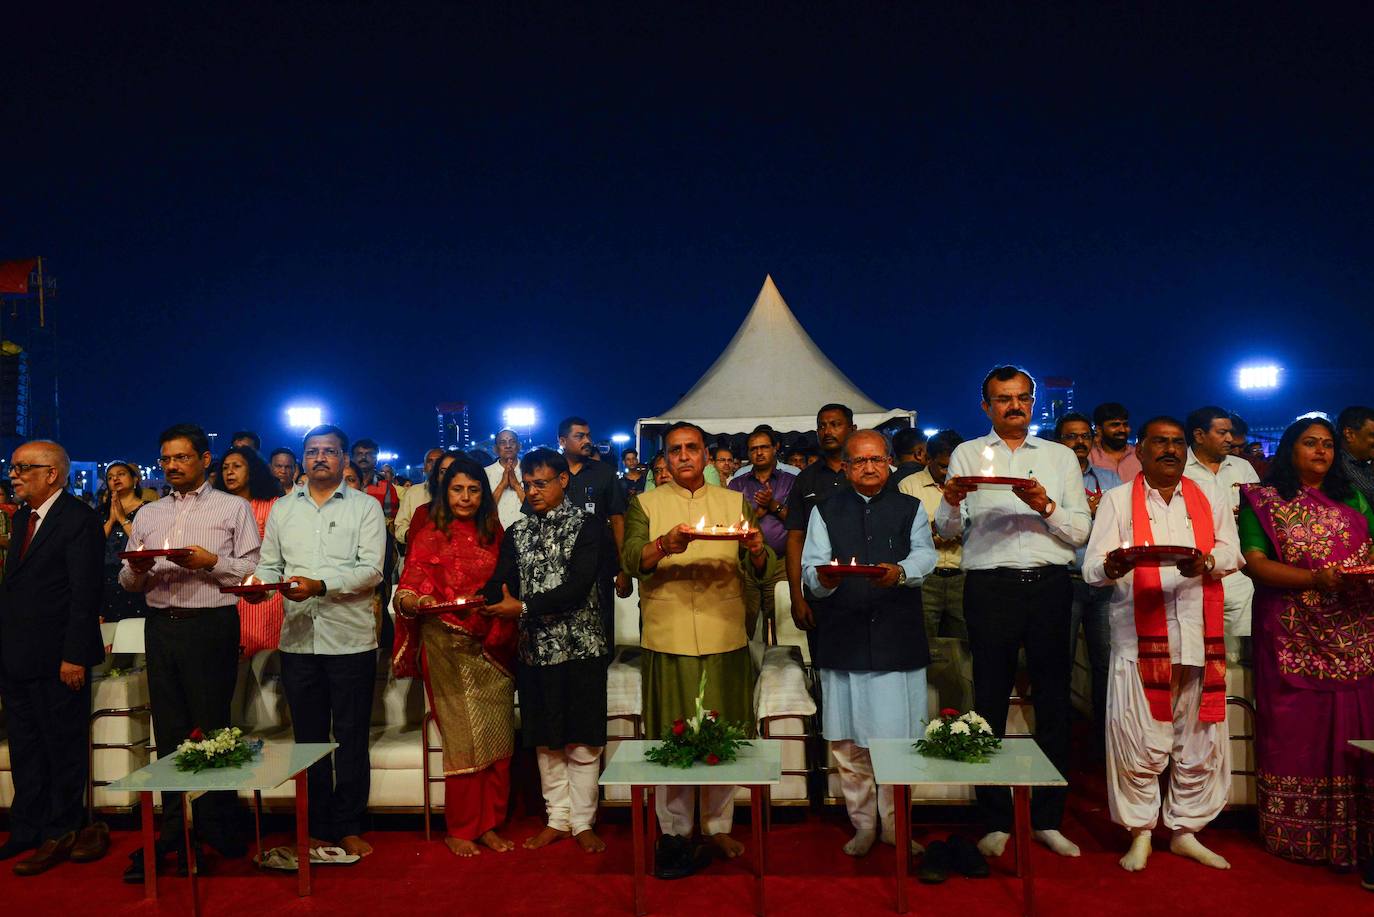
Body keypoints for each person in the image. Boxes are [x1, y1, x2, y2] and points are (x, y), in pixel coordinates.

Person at [936, 366, 1090, 859]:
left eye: (1022, 398)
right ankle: (996, 818)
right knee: (989, 703)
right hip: (989, 586)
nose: (1014, 406)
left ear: (1033, 401)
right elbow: (948, 530)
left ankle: (1048, 818)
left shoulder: (1060, 457)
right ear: (986, 406)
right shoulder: (966, 454)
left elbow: (1080, 533)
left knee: (1053, 704)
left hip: (1049, 586)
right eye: (1003, 399)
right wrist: (949, 499)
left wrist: (1045, 505)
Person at [1083, 416, 1239, 872]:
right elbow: (1093, 568)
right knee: (1138, 739)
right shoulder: (1116, 500)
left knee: (1199, 740)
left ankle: (1187, 832)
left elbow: (1234, 553)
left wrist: (1207, 562)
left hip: (1197, 635)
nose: (1169, 450)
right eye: (1159, 443)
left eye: (1175, 443)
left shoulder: (1207, 497)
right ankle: (1140, 833)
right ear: (1142, 450)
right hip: (1138, 639)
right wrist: (1114, 565)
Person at [621, 422, 776, 876]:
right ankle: (673, 829)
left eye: (692, 448)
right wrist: (664, 545)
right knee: (671, 735)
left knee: (724, 731)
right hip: (667, 632)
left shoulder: (733, 502)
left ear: (706, 455)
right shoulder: (645, 504)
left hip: (723, 629)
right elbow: (631, 560)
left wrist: (758, 547)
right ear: (665, 459)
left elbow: (757, 564)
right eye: (675, 450)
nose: (684, 456)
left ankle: (717, 824)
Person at [118, 424, 261, 880]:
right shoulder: (148, 513)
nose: (172, 466)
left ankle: (220, 827)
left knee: (213, 725)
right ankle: (173, 832)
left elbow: (252, 571)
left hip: (211, 625)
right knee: (170, 729)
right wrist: (137, 570)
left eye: (182, 458)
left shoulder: (233, 508)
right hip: (161, 627)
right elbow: (127, 580)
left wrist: (210, 562)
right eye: (166, 459)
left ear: (205, 460)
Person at [1238, 417, 1374, 876]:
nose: (1321, 452)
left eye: (1328, 445)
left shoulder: (1352, 498)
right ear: (1291, 449)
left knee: (1356, 726)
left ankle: (1356, 832)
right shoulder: (1265, 501)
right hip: (1290, 630)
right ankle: (1295, 832)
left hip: (1353, 631)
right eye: (1310, 443)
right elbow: (1255, 565)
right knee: (1298, 730)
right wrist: (1316, 579)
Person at [250, 424, 386, 859]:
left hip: (349, 639)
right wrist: (258, 585)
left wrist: (320, 584)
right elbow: (270, 564)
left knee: (349, 735)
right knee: (308, 738)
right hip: (298, 641)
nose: (320, 458)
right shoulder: (283, 510)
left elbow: (372, 571)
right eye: (313, 452)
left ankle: (347, 824)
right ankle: (315, 823)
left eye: (329, 451)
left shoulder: (365, 507)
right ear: (303, 459)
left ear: (345, 458)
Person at [802, 430, 937, 856]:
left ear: (889, 463)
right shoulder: (824, 510)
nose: (869, 467)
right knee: (847, 745)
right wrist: (820, 579)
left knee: (900, 743)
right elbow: (811, 566)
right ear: (845, 466)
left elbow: (925, 555)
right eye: (859, 461)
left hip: (897, 638)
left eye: (877, 459)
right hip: (843, 637)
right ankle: (862, 825)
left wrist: (900, 571)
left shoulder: (909, 507)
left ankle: (897, 827)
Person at [480, 449, 608, 853]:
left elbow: (579, 585)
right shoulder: (517, 531)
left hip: (580, 646)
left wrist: (524, 606)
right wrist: (486, 595)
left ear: (562, 481)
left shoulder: (587, 526)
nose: (533, 491)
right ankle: (557, 819)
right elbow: (502, 579)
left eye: (541, 483)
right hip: (534, 649)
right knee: (545, 738)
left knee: (582, 738)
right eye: (529, 484)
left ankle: (584, 822)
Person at [392, 457, 515, 857]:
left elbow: (508, 585)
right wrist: (416, 600)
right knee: (464, 739)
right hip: (446, 643)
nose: (465, 497)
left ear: (484, 494)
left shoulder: (494, 533)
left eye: (474, 489)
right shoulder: (430, 534)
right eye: (457, 489)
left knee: (497, 736)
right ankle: (462, 827)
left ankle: (490, 823)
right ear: (445, 492)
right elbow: (408, 586)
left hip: (493, 643)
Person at [0, 440, 107, 874]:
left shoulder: (78, 519)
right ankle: (26, 828)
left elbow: (84, 594)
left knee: (61, 747)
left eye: (24, 467)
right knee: (26, 749)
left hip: (60, 660)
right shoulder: (24, 517)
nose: (14, 474)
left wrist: (75, 656)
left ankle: (61, 830)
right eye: (13, 466)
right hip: (16, 658)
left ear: (53, 474)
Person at [1057, 411, 1121, 747]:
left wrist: (1104, 511)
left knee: (1105, 662)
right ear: (1059, 441)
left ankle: (1102, 739)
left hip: (1104, 583)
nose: (1079, 442)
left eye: (1084, 436)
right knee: (1060, 662)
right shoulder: (1053, 477)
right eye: (1071, 436)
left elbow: (1123, 519)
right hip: (1066, 580)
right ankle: (1061, 737)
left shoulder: (1110, 479)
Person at [899, 430, 971, 711]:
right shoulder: (909, 486)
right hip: (925, 581)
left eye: (954, 466)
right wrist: (936, 532)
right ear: (926, 459)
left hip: (962, 577)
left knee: (964, 651)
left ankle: (965, 718)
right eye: (943, 466)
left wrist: (951, 531)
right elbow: (904, 534)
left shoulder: (969, 486)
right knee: (922, 648)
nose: (949, 472)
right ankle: (922, 714)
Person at [1184, 406, 1260, 659]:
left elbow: (1260, 514)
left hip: (1238, 570)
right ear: (1199, 435)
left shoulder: (1243, 468)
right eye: (1222, 432)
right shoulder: (1180, 469)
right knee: (1196, 648)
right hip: (1192, 570)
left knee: (1240, 650)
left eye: (1230, 433)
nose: (1230, 438)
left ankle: (1237, 698)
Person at [557, 416, 630, 645]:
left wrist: (624, 568)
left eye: (588, 435)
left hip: (599, 567)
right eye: (579, 436)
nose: (587, 440)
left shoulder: (604, 473)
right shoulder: (549, 471)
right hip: (556, 567)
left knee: (601, 634)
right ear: (562, 441)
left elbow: (618, 520)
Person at [785, 405, 857, 636]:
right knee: (824, 664)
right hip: (819, 587)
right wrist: (796, 596)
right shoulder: (805, 479)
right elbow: (796, 538)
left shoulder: (867, 474)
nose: (827, 431)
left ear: (852, 429)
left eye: (835, 424)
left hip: (864, 585)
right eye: (822, 426)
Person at [215, 445, 285, 657]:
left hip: (263, 593)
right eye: (225, 467)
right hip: (226, 593)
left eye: (237, 466)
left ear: (252, 470)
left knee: (264, 661)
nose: (229, 472)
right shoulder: (217, 509)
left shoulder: (274, 505)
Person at [728, 426, 793, 641]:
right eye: (753, 449)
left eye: (764, 447)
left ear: (775, 448)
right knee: (743, 620)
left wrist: (773, 505)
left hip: (782, 564)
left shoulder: (790, 481)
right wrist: (756, 512)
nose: (759, 452)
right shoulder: (737, 484)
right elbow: (730, 524)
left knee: (780, 622)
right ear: (748, 453)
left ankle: (777, 671)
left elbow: (797, 521)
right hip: (746, 563)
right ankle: (745, 670)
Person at [99, 462, 151, 621]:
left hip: (137, 578)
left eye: (121, 474)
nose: (115, 478)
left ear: (135, 480)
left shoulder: (149, 510)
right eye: (110, 477)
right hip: (105, 582)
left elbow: (147, 546)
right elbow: (91, 547)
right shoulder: (101, 512)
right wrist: (110, 521)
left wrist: (122, 519)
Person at [395, 447, 445, 546]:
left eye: (439, 461)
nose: (434, 465)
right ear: (424, 468)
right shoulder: (413, 492)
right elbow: (400, 527)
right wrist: (416, 535)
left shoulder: (456, 492)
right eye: (430, 461)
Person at [1089, 402, 1142, 481]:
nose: (1122, 430)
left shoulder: (1140, 456)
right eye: (1115, 425)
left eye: (1125, 424)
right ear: (1099, 429)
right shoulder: (1089, 458)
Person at [485, 429, 526, 530]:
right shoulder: (485, 473)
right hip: (495, 533)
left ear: (519, 446)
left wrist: (516, 485)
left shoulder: (529, 471)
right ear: (495, 449)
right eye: (502, 442)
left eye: (512, 442)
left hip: (526, 534)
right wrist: (502, 485)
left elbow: (535, 508)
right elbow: (484, 511)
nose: (508, 446)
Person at [352, 438, 399, 522]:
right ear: (352, 458)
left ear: (376, 459)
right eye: (359, 454)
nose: (363, 457)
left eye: (369, 454)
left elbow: (390, 520)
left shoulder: (386, 487)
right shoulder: (342, 483)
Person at [1337, 405, 1374, 507]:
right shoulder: (1339, 463)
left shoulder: (1362, 462)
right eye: (1372, 435)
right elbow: (1370, 496)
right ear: (1349, 434)